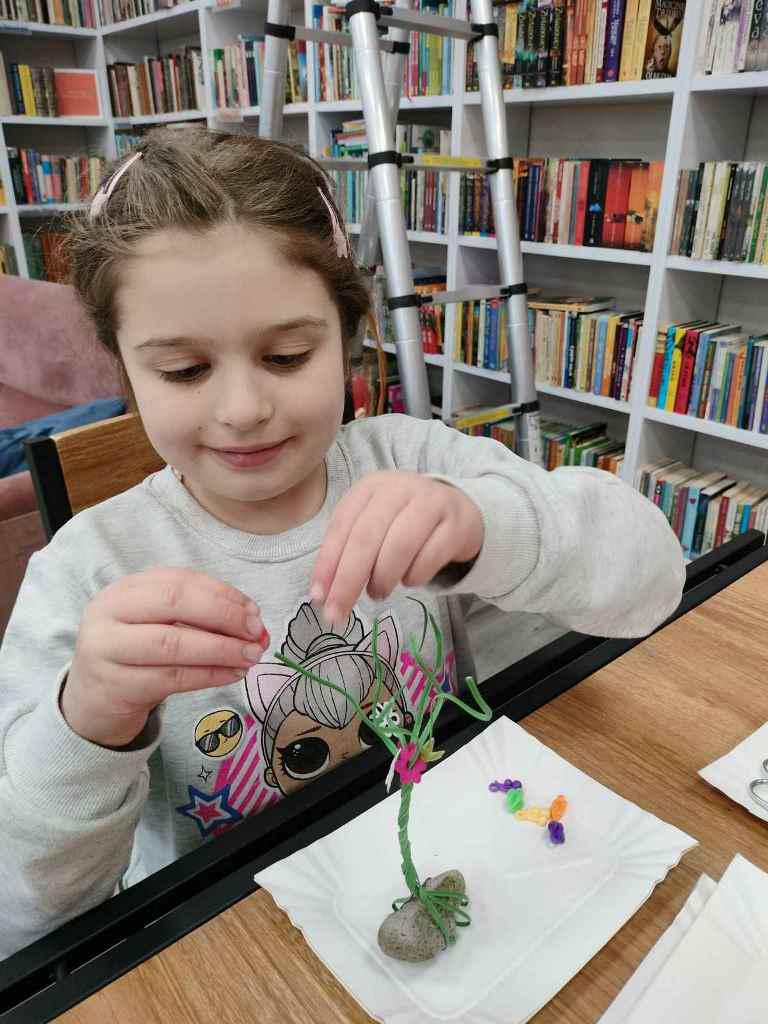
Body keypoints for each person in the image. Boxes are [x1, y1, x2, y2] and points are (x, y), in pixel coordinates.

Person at [0, 126, 685, 959]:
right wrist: (88, 721)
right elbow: (23, 914)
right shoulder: (86, 570)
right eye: (183, 371)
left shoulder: (411, 460)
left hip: (457, 864)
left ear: (348, 337)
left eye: (288, 355)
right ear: (124, 365)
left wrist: (488, 526)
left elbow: (653, 584)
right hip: (234, 945)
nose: (243, 409)